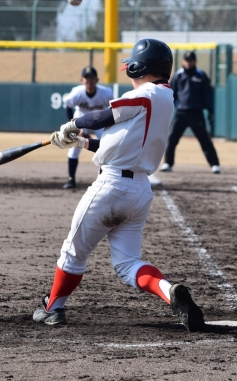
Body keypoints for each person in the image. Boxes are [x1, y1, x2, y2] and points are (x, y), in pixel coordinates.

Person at [33, 39, 205, 332]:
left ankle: (53, 308)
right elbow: (117, 144)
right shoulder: (165, 98)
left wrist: (72, 125)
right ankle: (169, 291)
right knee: (128, 264)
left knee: (73, 253)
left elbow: (104, 115)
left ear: (140, 67)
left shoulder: (146, 94)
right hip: (138, 192)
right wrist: (80, 142)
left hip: (111, 188)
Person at [160, 51, 221, 174]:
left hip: (196, 113)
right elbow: (171, 94)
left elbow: (208, 94)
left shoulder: (201, 75)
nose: (188, 63)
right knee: (172, 138)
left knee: (205, 140)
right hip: (181, 113)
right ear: (183, 61)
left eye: (191, 60)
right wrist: (168, 109)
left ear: (195, 61)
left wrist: (210, 111)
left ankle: (215, 164)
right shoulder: (178, 75)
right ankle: (168, 163)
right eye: (186, 60)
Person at [61, 66, 114, 189]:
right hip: (80, 118)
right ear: (82, 80)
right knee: (74, 147)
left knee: (107, 146)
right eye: (87, 78)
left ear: (97, 80)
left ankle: (105, 177)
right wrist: (74, 127)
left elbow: (113, 109)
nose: (89, 81)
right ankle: (71, 179)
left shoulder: (106, 93)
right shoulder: (77, 93)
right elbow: (68, 107)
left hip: (99, 119)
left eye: (92, 78)